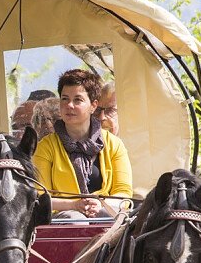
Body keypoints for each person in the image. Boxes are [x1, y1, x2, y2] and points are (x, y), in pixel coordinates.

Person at [31, 68, 131, 218]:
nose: (69, 105)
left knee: (106, 215)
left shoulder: (114, 144)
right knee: (74, 218)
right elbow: (39, 197)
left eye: (77, 100)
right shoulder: (46, 147)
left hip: (106, 213)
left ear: (93, 105)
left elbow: (124, 193)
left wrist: (101, 204)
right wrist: (74, 205)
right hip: (64, 219)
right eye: (64, 99)